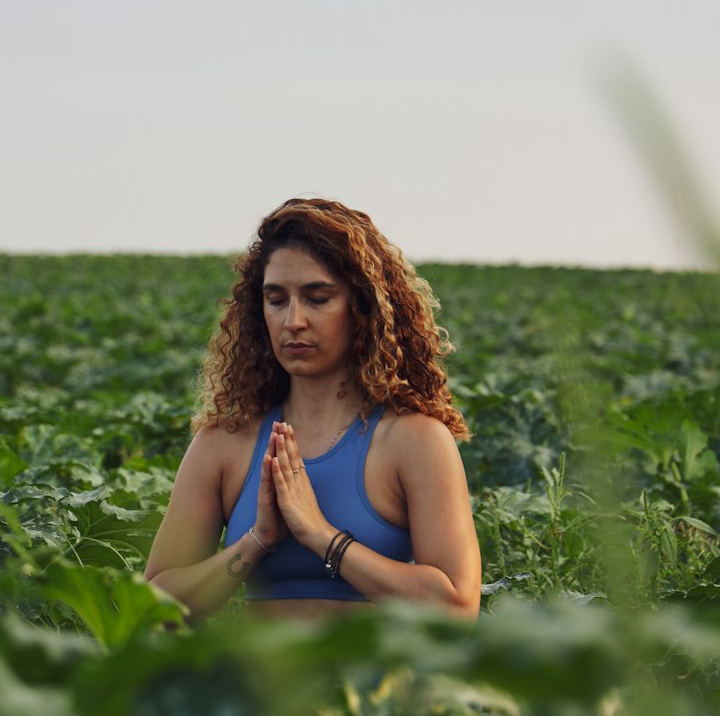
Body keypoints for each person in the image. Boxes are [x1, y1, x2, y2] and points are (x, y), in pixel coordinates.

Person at [145, 198, 481, 623]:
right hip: (260, 688)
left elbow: (456, 608)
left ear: (361, 309)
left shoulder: (414, 440)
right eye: (276, 299)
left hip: (380, 689)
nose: (294, 321)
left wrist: (323, 538)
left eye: (318, 298)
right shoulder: (223, 443)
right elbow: (153, 609)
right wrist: (257, 540)